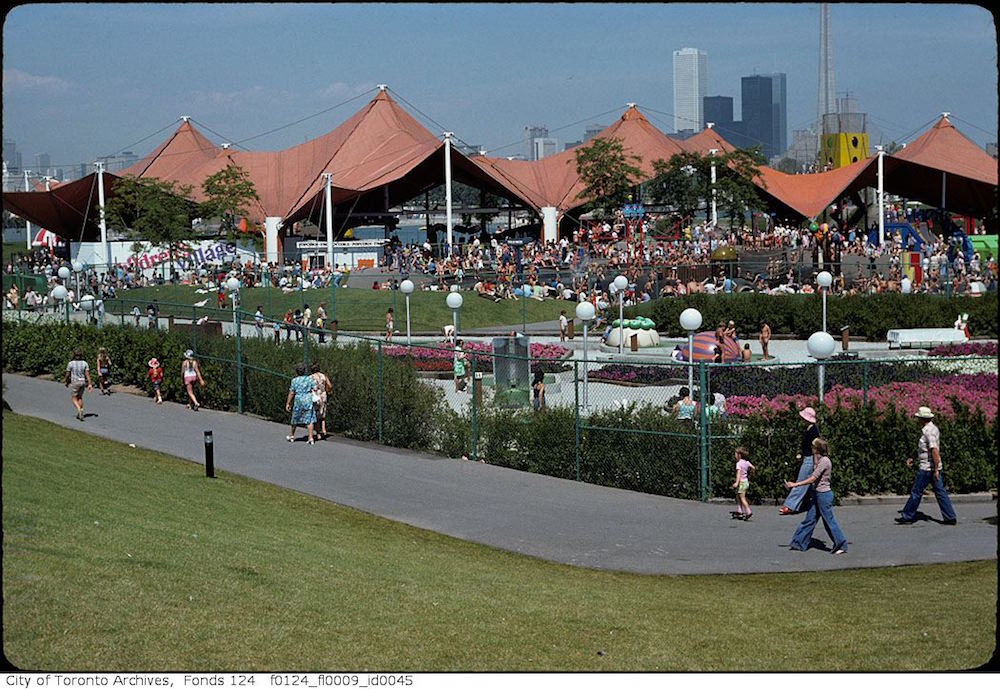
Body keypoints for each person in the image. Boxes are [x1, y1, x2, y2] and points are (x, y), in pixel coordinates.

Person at [785, 437, 848, 555]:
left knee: (829, 521)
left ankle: (841, 544)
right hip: (817, 494)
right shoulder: (819, 459)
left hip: (823, 495)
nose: (811, 448)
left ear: (817, 448)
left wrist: (795, 484)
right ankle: (798, 543)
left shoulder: (825, 461)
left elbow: (813, 478)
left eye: (813, 447)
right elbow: (814, 468)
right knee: (810, 519)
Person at [896, 406, 957, 525]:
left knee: (916, 491)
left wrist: (935, 469)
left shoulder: (928, 432)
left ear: (923, 419)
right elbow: (927, 450)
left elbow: (934, 450)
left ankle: (907, 515)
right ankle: (950, 517)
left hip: (927, 468)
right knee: (940, 492)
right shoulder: (933, 429)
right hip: (932, 467)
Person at [780, 406, 821, 515]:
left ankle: (790, 506)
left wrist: (815, 462)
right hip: (807, 457)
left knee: (801, 482)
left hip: (810, 459)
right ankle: (809, 504)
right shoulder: (809, 429)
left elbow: (815, 448)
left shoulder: (813, 431)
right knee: (808, 483)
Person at [285, 363, 317, 444]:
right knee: (309, 419)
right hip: (308, 400)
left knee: (295, 418)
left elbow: (291, 392)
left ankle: (292, 436)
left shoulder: (294, 381)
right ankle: (310, 438)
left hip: (298, 400)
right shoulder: (309, 379)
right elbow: (315, 388)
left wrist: (288, 403)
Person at [64, 348, 93, 421]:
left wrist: (66, 381)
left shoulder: (70, 363)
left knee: (74, 398)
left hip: (75, 382)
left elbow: (67, 374)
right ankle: (81, 410)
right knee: (80, 397)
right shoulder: (84, 363)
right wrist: (89, 384)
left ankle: (79, 409)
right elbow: (87, 375)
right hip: (82, 382)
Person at [731, 446, 756, 521]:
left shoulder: (738, 464)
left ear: (739, 455)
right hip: (746, 482)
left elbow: (738, 474)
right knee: (739, 496)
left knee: (742, 498)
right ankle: (739, 511)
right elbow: (753, 467)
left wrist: (736, 482)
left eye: (735, 454)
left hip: (741, 482)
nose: (735, 456)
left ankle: (748, 511)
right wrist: (751, 472)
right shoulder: (746, 462)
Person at [310, 362, 333, 439]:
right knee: (323, 413)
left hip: (315, 396)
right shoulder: (324, 376)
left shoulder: (311, 377)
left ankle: (318, 432)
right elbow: (330, 385)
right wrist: (326, 390)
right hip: (323, 395)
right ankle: (324, 429)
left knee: (316, 414)